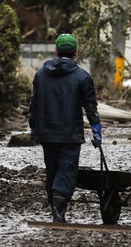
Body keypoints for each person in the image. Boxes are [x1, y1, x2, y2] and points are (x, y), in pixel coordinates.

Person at [28, 33, 102, 223]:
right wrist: (96, 131)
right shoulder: (82, 77)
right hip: (70, 134)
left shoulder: (41, 75)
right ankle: (58, 212)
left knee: (52, 170)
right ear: (76, 52)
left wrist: (34, 129)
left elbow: (34, 105)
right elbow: (90, 107)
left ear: (56, 51)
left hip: (46, 133)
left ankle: (56, 209)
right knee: (67, 171)